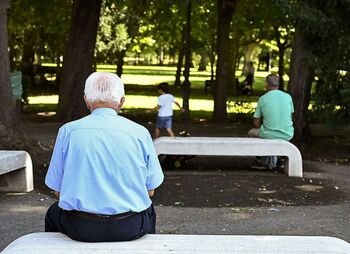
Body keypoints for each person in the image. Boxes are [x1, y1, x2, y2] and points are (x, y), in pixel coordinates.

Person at [45, 72, 164, 242]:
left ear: (86, 99)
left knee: (53, 213)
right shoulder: (140, 133)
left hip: (80, 226)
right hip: (130, 226)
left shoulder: (68, 131)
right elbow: (150, 190)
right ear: (122, 101)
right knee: (149, 211)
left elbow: (58, 191)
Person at [248, 74, 294, 169]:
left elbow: (256, 122)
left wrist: (264, 126)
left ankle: (259, 159)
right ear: (278, 84)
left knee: (251, 132)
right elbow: (290, 117)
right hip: (287, 133)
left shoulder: (263, 98)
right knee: (275, 134)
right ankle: (280, 159)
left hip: (268, 133)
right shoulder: (288, 97)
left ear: (266, 84)